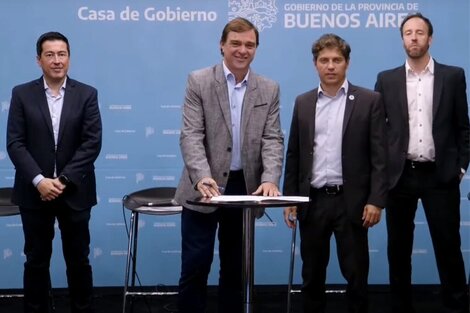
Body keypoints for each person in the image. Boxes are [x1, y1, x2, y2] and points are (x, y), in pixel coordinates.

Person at [174, 17, 284, 313]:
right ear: (222, 45)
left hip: (244, 188)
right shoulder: (198, 80)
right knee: (196, 264)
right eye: (235, 43)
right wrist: (201, 177)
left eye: (249, 44)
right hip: (203, 187)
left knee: (235, 267)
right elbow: (191, 135)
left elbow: (273, 139)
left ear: (256, 49)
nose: (242, 50)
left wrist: (271, 177)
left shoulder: (269, 88)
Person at [283, 33, 388, 313]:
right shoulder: (303, 102)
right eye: (324, 60)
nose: (330, 66)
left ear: (347, 63)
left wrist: (376, 199)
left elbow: (380, 156)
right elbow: (293, 153)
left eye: (336, 60)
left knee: (356, 275)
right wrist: (290, 198)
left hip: (351, 202)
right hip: (312, 201)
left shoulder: (369, 100)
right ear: (315, 64)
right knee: (312, 275)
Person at [375, 13, 469, 313]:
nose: (413, 37)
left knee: (448, 248)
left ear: (430, 38)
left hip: (439, 177)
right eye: (408, 33)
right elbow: (378, 132)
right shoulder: (386, 79)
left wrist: (461, 167)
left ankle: (456, 307)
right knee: (398, 251)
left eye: (419, 32)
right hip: (399, 177)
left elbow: (463, 127)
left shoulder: (452, 76)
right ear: (402, 39)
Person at [6, 32, 102, 313]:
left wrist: (62, 180)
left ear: (69, 58)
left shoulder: (87, 94)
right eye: (50, 55)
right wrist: (39, 180)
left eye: (62, 54)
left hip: (75, 191)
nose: (57, 60)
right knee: (36, 260)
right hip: (34, 192)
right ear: (39, 61)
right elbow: (15, 143)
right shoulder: (21, 94)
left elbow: (92, 142)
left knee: (79, 260)